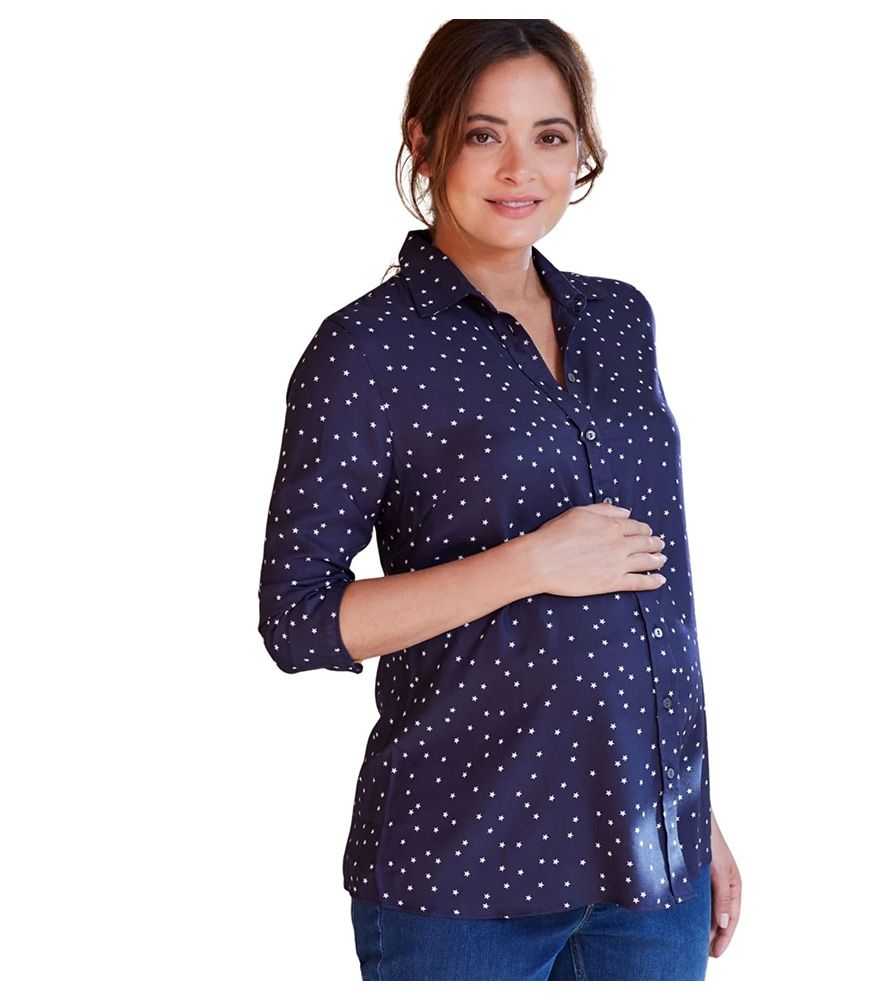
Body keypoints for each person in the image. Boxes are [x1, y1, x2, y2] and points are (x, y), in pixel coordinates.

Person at [257, 18, 741, 982]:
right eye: (485, 134)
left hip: (652, 866)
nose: (521, 169)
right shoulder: (368, 350)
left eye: (550, 136)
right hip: (463, 872)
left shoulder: (618, 318)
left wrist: (697, 814)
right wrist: (528, 565)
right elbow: (297, 622)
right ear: (424, 141)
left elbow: (648, 601)